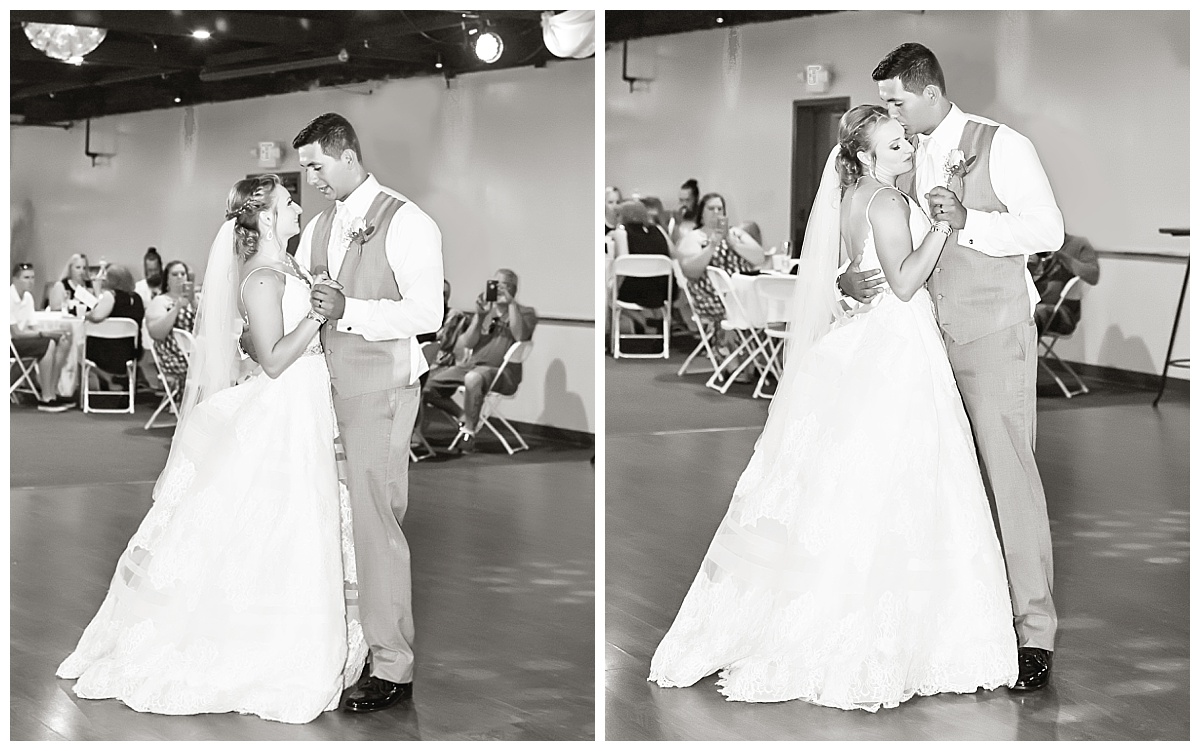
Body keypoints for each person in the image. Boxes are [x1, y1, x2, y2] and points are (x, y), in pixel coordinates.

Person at [649, 105, 1018, 710]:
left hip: (862, 342)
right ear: (867, 155)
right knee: (907, 478)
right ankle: (890, 632)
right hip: (898, 345)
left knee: (850, 481)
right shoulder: (890, 201)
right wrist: (945, 225)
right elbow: (903, 282)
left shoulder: (853, 198)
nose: (906, 148)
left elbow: (850, 270)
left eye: (904, 141)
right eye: (895, 145)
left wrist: (855, 278)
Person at [57, 175, 367, 724]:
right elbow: (272, 359)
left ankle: (299, 636)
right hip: (286, 403)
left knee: (299, 519)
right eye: (288, 203)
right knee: (279, 517)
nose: (298, 208)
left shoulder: (292, 270)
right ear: (267, 217)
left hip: (307, 403)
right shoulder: (263, 279)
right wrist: (318, 316)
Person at [844, 42, 1063, 692]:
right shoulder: (901, 156)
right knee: (938, 487)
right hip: (922, 346)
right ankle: (954, 621)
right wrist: (847, 279)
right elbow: (887, 241)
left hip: (993, 335)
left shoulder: (1005, 144)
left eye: (895, 101)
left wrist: (969, 224)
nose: (891, 114)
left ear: (929, 90)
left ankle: (1035, 633)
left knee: (1010, 479)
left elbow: (1048, 230)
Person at [295, 112, 444, 713]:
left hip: (379, 390)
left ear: (347, 155)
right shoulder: (321, 225)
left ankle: (393, 666)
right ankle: (350, 642)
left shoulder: (408, 221)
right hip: (324, 391)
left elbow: (427, 313)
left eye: (316, 166)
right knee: (336, 520)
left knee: (376, 524)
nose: (311, 179)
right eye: (305, 169)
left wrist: (349, 308)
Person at [423, 269, 536, 453]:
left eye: (504, 285)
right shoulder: (487, 313)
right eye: (496, 284)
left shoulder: (526, 313)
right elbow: (466, 343)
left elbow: (520, 335)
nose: (499, 289)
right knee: (425, 385)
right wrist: (480, 317)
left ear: (514, 289)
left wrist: (511, 304)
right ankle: (454, 421)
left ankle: (469, 433)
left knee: (473, 378)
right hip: (471, 367)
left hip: (502, 374)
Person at [675, 192, 764, 333]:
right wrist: (712, 245)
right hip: (713, 296)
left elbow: (759, 257)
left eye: (720, 209)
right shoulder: (694, 237)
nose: (716, 212)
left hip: (744, 294)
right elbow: (690, 271)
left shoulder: (736, 233)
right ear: (702, 213)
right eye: (711, 209)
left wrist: (733, 243)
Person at [9, 263, 72, 411]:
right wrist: (43, 335)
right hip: (11, 343)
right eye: (26, 278)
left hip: (23, 340)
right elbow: (16, 333)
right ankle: (46, 396)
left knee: (63, 341)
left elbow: (33, 326)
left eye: (32, 277)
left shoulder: (28, 298)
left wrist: (51, 334)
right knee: (48, 344)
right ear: (15, 279)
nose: (31, 281)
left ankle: (51, 390)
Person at [82, 265, 145, 387]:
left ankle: (109, 379)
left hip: (106, 352)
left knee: (78, 348)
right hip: (131, 351)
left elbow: (97, 316)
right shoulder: (137, 299)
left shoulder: (111, 296)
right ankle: (116, 381)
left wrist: (87, 315)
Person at [145, 260, 197, 399]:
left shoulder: (196, 301)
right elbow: (157, 333)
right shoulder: (160, 301)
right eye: (175, 274)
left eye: (183, 273)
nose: (180, 277)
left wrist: (194, 303)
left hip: (196, 352)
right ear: (167, 278)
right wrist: (176, 308)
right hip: (173, 355)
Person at [1030, 233, 1100, 336]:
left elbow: (1093, 275)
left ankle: (1026, 351)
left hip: (1064, 314)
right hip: (1036, 304)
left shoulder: (1078, 244)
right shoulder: (1036, 244)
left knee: (1031, 317)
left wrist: (1062, 257)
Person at [668, 178, 700, 245]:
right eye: (681, 200)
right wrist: (677, 224)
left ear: (695, 199)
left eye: (687, 200)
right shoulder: (675, 220)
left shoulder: (702, 219)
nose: (684, 204)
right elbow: (674, 244)